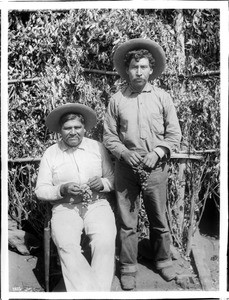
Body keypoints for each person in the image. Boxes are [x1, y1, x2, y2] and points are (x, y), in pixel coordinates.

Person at [103, 38, 182, 290]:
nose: (139, 71)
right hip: (126, 168)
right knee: (127, 221)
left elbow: (174, 134)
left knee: (159, 217)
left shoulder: (162, 97)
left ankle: (163, 260)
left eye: (144, 67)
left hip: (155, 168)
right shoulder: (117, 99)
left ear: (151, 70)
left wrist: (158, 152)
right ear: (127, 70)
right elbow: (109, 136)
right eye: (135, 67)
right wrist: (124, 153)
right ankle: (128, 267)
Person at [35, 103, 117, 291]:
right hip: (65, 208)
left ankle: (94, 292)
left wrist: (102, 183)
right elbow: (41, 190)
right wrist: (62, 189)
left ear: (84, 128)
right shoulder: (51, 153)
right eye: (67, 128)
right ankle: (93, 293)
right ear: (60, 131)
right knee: (67, 245)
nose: (73, 132)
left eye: (77, 127)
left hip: (97, 204)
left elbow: (112, 179)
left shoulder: (97, 147)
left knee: (105, 241)